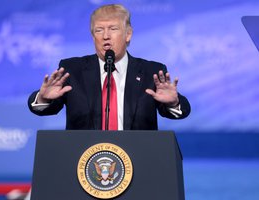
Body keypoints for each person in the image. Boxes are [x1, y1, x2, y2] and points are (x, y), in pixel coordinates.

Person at [28, 4, 190, 131]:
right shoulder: (72, 69)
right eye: (99, 30)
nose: (106, 36)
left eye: (113, 29)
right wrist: (44, 99)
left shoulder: (151, 72)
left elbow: (180, 113)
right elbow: (44, 109)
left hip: (138, 159)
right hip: (84, 162)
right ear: (93, 36)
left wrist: (173, 103)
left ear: (128, 34)